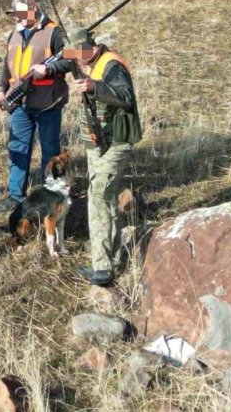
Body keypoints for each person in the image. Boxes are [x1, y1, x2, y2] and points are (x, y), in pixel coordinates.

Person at [65, 27, 143, 287]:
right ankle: (109, 259)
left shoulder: (111, 65)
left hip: (116, 141)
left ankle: (103, 267)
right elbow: (59, 62)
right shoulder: (85, 59)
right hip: (98, 142)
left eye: (80, 54)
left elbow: (126, 96)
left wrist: (94, 86)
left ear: (91, 46)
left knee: (99, 194)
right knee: (103, 197)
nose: (78, 60)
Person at [0, 0, 72, 215]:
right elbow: (7, 66)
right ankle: (15, 195)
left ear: (33, 9)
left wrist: (49, 69)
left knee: (50, 151)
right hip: (20, 103)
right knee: (17, 149)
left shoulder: (54, 32)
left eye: (20, 13)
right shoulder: (14, 34)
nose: (17, 18)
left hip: (48, 103)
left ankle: (50, 195)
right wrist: (1, 90)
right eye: (14, 14)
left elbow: (72, 58)